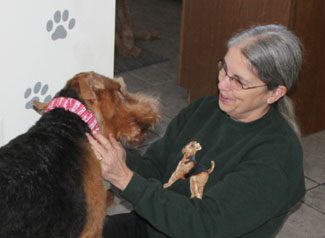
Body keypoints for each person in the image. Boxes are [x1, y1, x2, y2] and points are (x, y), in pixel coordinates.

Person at [87, 24, 306, 238]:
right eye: (224, 69)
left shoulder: (277, 157)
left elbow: (204, 224)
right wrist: (114, 154)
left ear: (274, 93)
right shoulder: (205, 109)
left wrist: (124, 179)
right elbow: (153, 169)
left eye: (238, 81)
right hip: (155, 224)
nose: (222, 84)